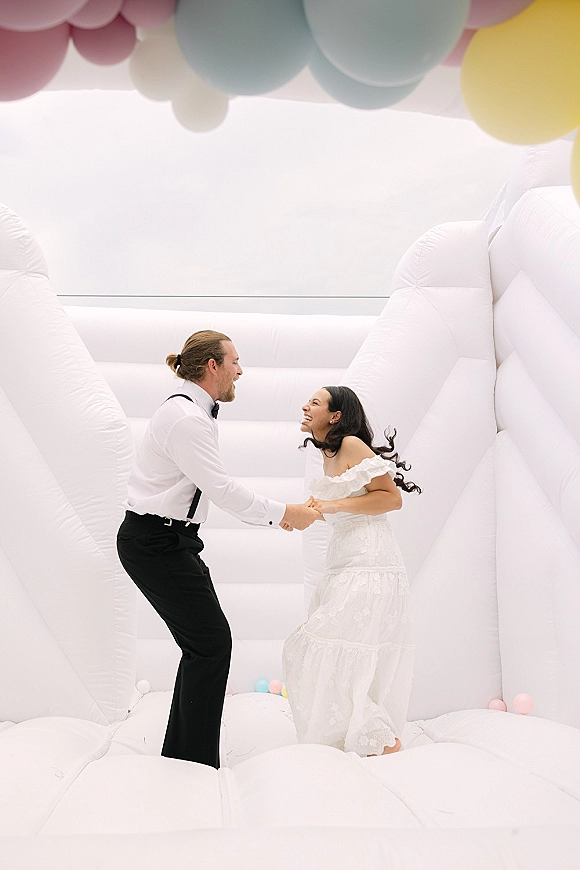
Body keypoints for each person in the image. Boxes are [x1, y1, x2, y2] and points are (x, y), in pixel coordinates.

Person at [117, 330, 320, 769]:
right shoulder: (186, 418)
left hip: (170, 540)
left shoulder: (191, 413)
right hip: (155, 542)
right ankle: (191, 763)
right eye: (235, 361)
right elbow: (223, 491)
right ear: (212, 365)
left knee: (205, 644)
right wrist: (286, 513)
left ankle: (185, 758)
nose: (240, 371)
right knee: (210, 644)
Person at [282, 385, 421, 757]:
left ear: (336, 416)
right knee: (320, 644)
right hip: (344, 560)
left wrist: (333, 504)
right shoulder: (328, 456)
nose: (305, 407)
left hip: (370, 561)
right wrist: (301, 515)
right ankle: (356, 734)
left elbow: (392, 498)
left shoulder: (352, 447)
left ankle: (380, 739)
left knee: (336, 643)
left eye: (315, 403)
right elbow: (336, 505)